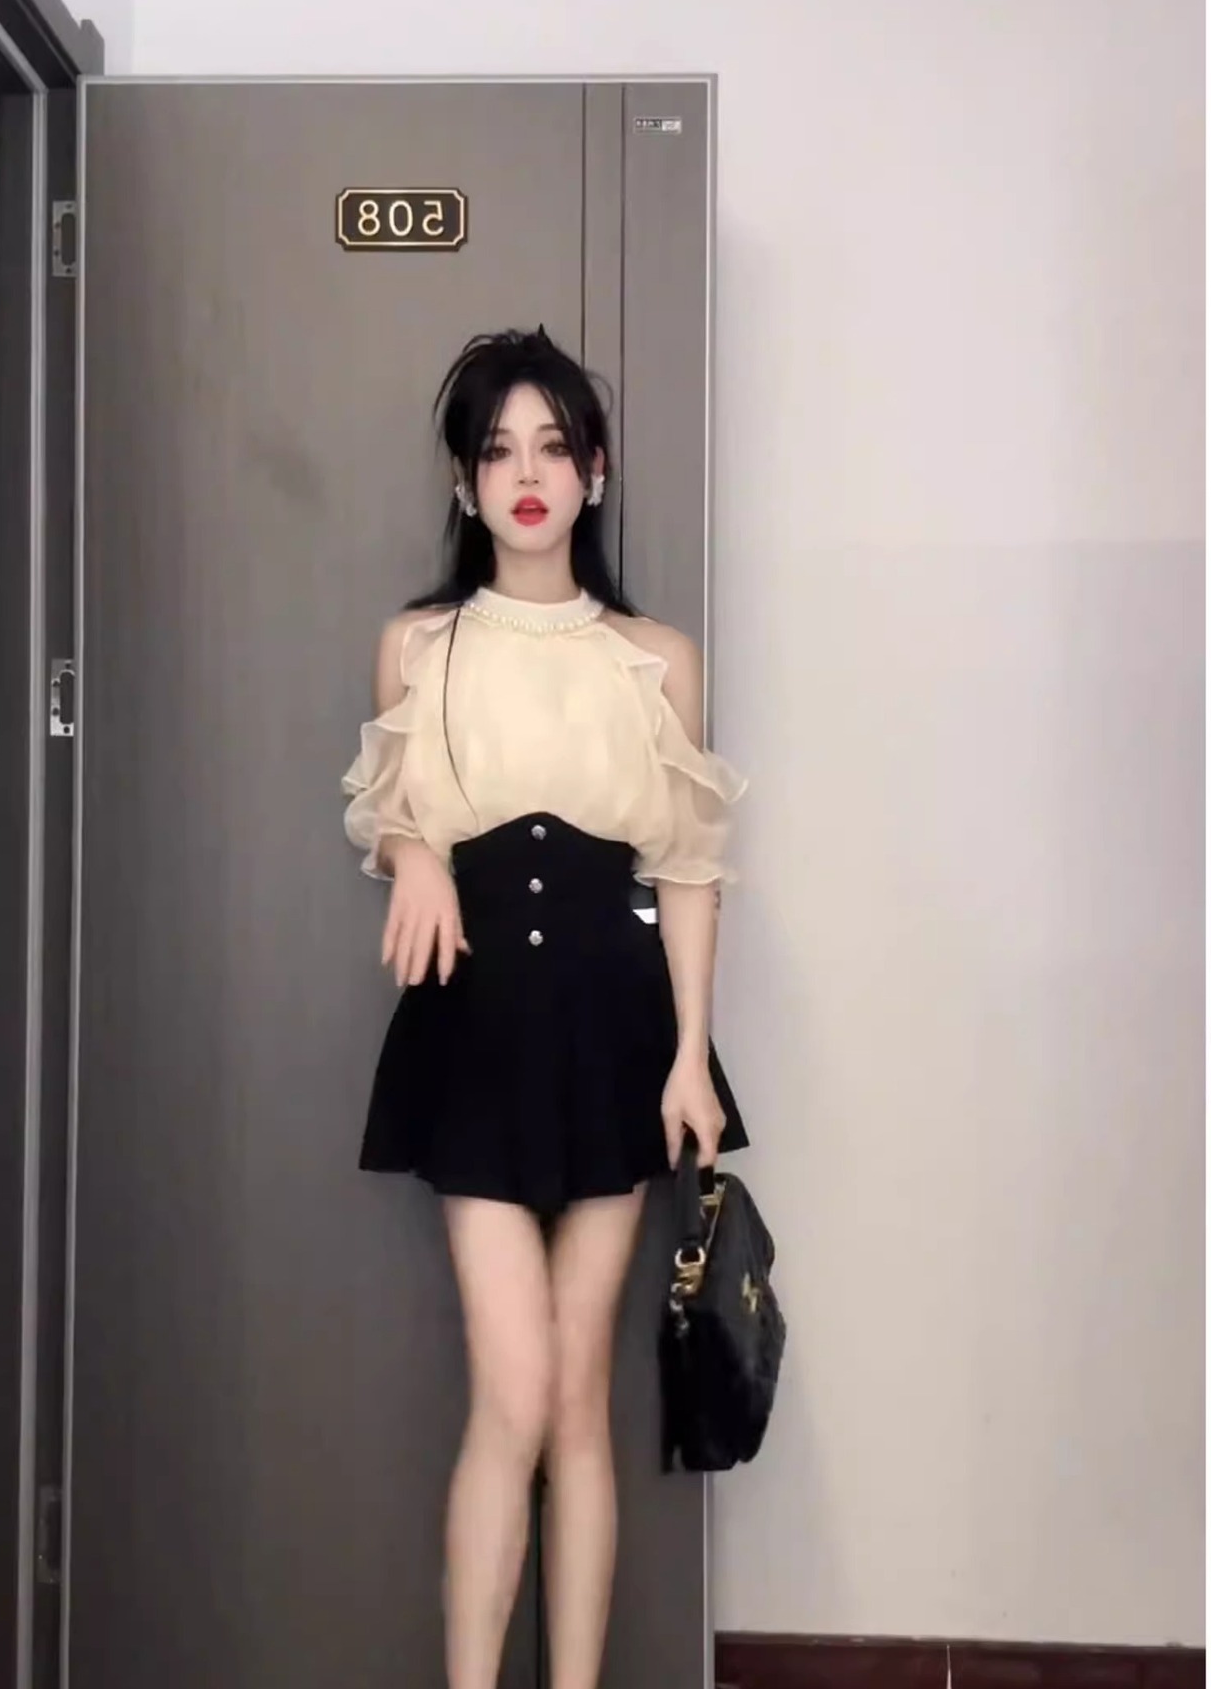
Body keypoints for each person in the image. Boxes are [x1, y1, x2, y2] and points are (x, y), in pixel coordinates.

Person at [341, 327, 749, 1689]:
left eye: (554, 447)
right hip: (473, 1036)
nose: (527, 475)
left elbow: (687, 870)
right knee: (511, 1393)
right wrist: (412, 852)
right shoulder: (418, 647)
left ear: (595, 471)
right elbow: (391, 807)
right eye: (498, 450)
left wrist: (690, 1057)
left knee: (578, 1399)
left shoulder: (657, 659)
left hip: (615, 1038)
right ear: (465, 483)